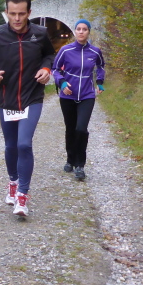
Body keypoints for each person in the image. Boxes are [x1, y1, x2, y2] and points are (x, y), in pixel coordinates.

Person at [0, 0, 55, 216]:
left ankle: (22, 195)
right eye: (12, 14)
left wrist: (46, 69)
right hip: (7, 98)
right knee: (11, 145)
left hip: (32, 96)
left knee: (24, 144)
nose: (17, 18)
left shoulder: (40, 34)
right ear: (6, 12)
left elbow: (50, 55)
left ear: (29, 12)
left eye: (22, 14)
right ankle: (13, 181)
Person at [52, 19, 105, 181]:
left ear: (88, 32)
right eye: (78, 29)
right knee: (70, 129)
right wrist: (62, 83)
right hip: (67, 95)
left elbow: (100, 66)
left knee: (81, 129)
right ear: (75, 31)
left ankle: (80, 165)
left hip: (87, 95)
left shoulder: (95, 51)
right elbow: (55, 69)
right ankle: (70, 160)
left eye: (84, 29)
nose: (81, 32)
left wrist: (100, 82)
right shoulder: (65, 50)